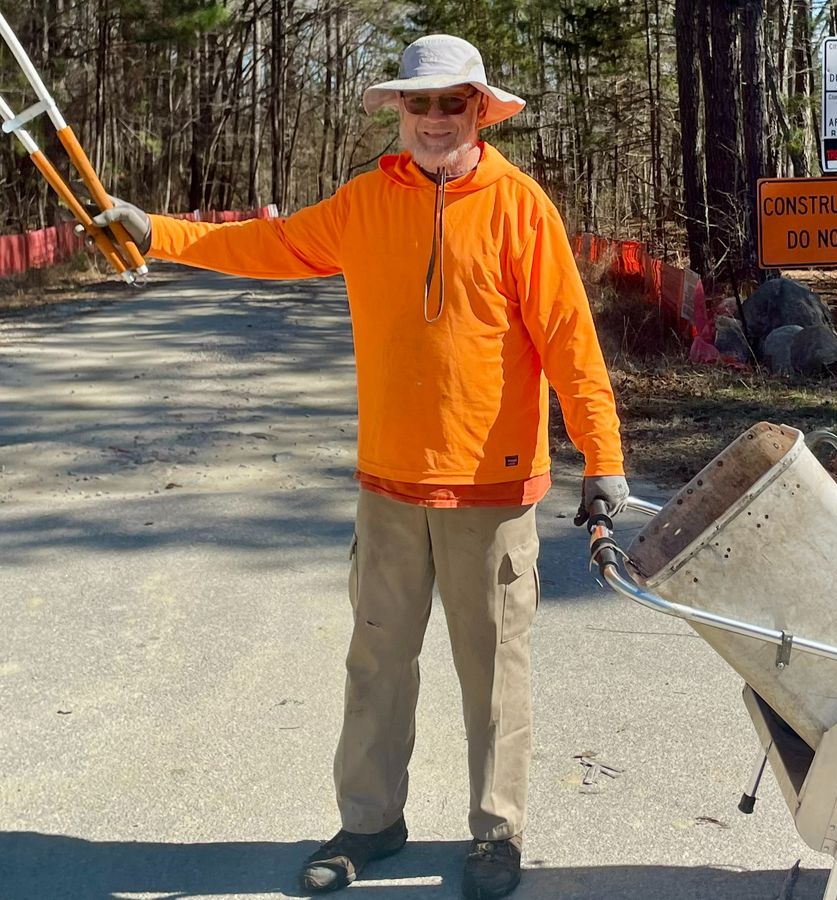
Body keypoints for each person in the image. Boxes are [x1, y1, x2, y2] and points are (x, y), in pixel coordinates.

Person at [94, 33, 629, 900]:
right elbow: (268, 246)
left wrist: (602, 458)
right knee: (377, 664)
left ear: (480, 110)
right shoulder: (364, 202)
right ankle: (371, 822)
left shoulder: (521, 207)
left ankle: (497, 832)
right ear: (400, 111)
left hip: (491, 488)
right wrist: (158, 233)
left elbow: (571, 342)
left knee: (494, 674)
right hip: (390, 485)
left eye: (451, 102)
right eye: (419, 102)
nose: (434, 118)